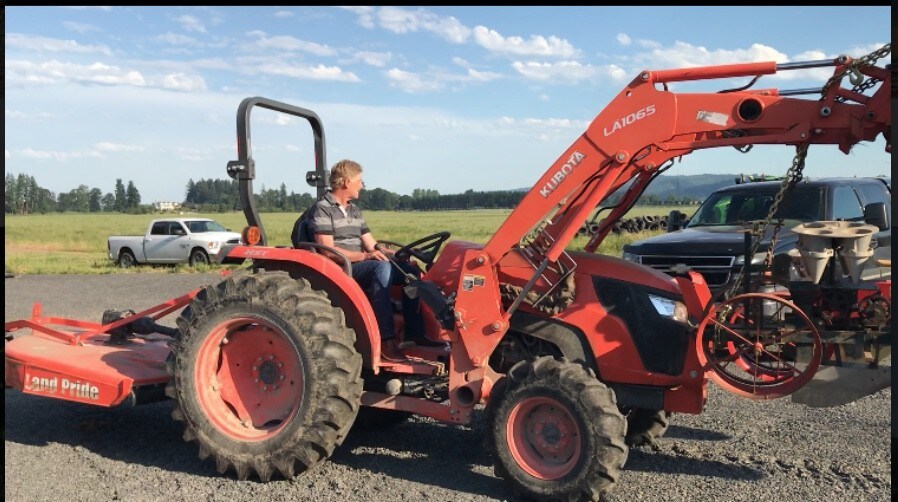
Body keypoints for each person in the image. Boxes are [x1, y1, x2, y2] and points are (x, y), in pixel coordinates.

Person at [307, 159, 435, 362]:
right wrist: (366, 256)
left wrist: (398, 253)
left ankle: (414, 333)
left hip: (361, 262)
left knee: (410, 271)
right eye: (359, 181)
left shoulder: (354, 210)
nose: (362, 185)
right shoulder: (323, 209)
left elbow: (371, 244)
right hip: (341, 267)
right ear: (347, 182)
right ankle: (385, 339)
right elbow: (329, 251)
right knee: (381, 269)